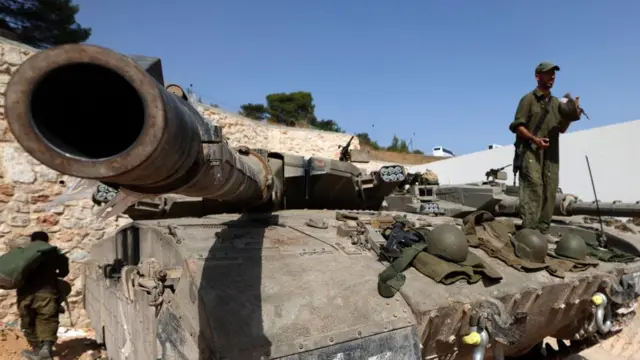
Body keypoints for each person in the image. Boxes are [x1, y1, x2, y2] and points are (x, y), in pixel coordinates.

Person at [509, 62, 581, 243]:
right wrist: (534, 139)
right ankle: (529, 231)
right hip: (531, 151)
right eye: (548, 74)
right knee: (534, 187)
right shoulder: (528, 99)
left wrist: (571, 116)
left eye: (554, 75)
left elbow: (562, 129)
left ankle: (542, 230)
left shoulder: (557, 103)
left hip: (551, 154)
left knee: (550, 188)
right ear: (537, 76)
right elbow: (518, 126)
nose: (552, 78)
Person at [17, 231, 70, 360]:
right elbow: (63, 272)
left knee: (28, 321)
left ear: (32, 241)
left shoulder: (23, 253)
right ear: (47, 241)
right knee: (48, 319)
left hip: (25, 293)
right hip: (47, 292)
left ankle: (36, 350)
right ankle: (46, 349)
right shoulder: (53, 254)